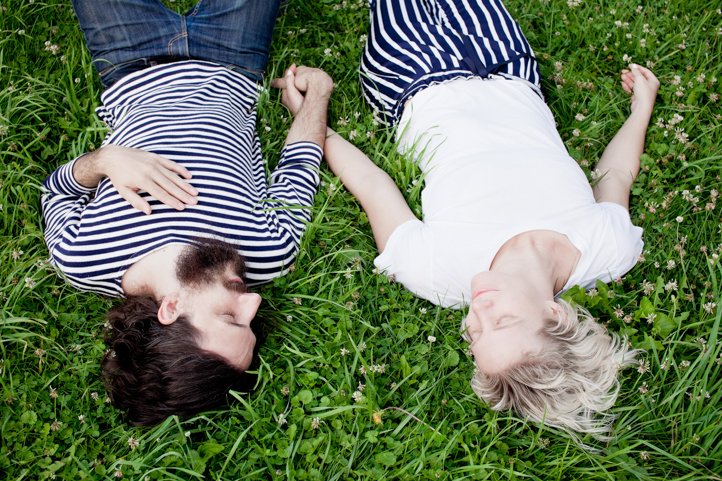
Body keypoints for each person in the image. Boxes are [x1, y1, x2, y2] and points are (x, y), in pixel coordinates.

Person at [323, 0, 659, 438]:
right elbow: (615, 175)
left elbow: (372, 185)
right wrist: (642, 107)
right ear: (553, 314)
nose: (479, 312)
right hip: (510, 67)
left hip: (413, 77)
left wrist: (313, 122)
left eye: (475, 335)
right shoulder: (608, 250)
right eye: (502, 321)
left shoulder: (439, 273)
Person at [41, 0, 333, 425]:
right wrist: (319, 94)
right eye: (252, 324)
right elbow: (299, 162)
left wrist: (103, 162)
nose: (253, 301)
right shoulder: (269, 253)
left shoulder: (81, 258)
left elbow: (57, 192)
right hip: (232, 60)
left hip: (129, 62)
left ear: (169, 309)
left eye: (231, 318)